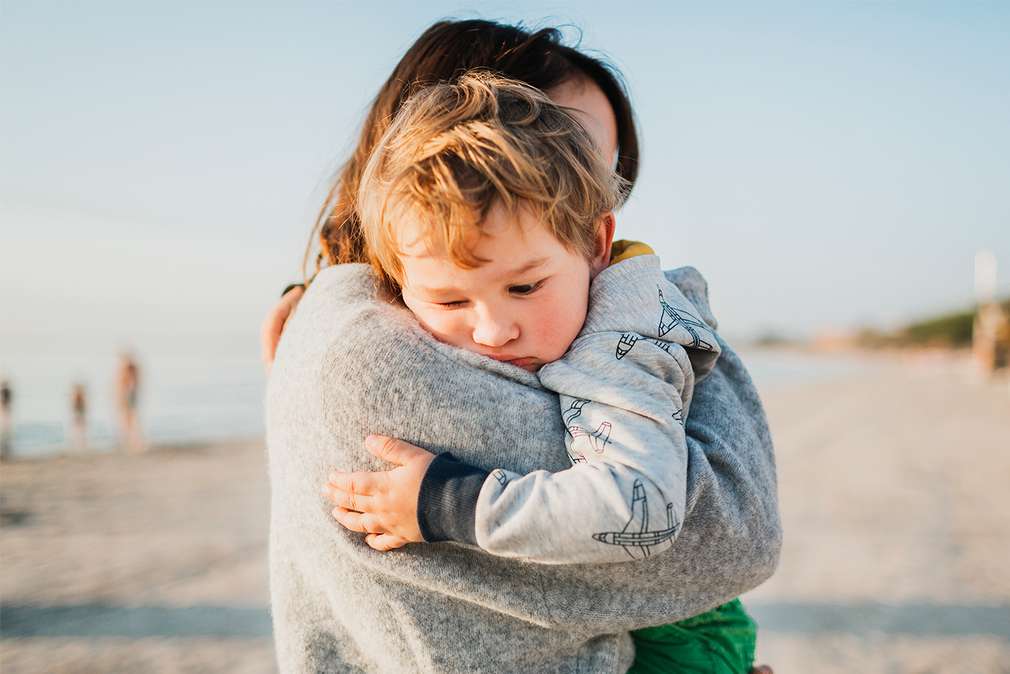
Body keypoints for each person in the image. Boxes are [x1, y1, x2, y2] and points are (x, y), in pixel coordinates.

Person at [265, 19, 779, 673]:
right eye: (536, 132)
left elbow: (713, 529)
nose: (491, 328)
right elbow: (730, 532)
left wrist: (443, 501)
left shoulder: (617, 326)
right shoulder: (366, 344)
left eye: (599, 161)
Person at [116, 352, 143, 452]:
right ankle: (132, 441)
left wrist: (124, 393)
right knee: (130, 418)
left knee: (128, 418)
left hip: (128, 393)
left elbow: (126, 382)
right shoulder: (131, 367)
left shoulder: (128, 366)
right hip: (130, 393)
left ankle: (132, 441)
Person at [70, 383, 87, 451]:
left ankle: (79, 441)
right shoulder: (78, 396)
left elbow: (76, 406)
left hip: (79, 413)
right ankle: (79, 441)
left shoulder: (78, 396)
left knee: (79, 427)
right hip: (79, 413)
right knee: (79, 427)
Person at [1, 378, 12, 460]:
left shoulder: (6, 391)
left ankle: (6, 448)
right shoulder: (6, 391)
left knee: (6, 429)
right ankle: (5, 448)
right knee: (5, 429)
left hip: (6, 409)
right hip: (6, 409)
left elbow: (5, 401)